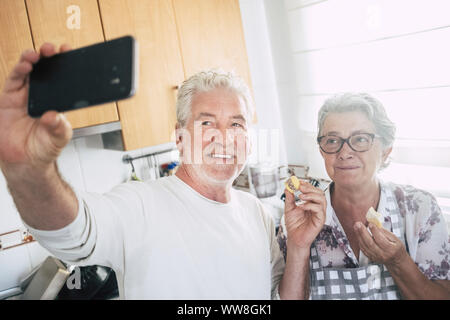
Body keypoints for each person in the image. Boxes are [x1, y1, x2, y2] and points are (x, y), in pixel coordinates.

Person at [0, 43, 286, 299]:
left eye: (236, 124)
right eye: (207, 123)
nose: (224, 137)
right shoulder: (139, 206)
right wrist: (29, 168)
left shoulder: (256, 213)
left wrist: (298, 246)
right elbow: (74, 235)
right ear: (179, 138)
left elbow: (274, 293)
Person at [277, 92, 450, 300]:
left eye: (360, 139)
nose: (344, 152)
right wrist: (299, 247)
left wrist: (398, 261)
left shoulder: (421, 209)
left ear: (386, 150)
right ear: (322, 151)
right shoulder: (300, 215)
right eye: (332, 140)